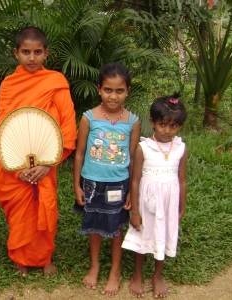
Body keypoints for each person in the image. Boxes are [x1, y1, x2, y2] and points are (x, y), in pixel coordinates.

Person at [0, 26, 77, 276]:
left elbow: (67, 123)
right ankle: (22, 257)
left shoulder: (55, 81)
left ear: (46, 54)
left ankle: (44, 258)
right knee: (21, 213)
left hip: (46, 160)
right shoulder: (9, 85)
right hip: (15, 165)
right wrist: (18, 166)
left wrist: (49, 163)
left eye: (37, 52)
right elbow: (5, 126)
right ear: (16, 53)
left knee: (45, 206)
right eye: (26, 52)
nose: (32, 58)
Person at [73, 63, 141, 296]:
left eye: (119, 90)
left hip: (118, 184)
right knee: (93, 226)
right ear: (99, 89)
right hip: (91, 183)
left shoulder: (132, 121)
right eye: (108, 90)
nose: (113, 96)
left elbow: (132, 157)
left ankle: (115, 270)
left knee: (115, 228)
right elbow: (80, 153)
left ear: (127, 91)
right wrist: (76, 185)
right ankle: (95, 266)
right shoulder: (88, 118)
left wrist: (132, 190)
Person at [122, 94, 188, 298]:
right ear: (152, 122)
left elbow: (182, 179)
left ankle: (158, 275)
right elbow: (135, 180)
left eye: (173, 126)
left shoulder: (180, 148)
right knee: (143, 235)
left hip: (169, 202)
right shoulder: (143, 148)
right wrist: (134, 210)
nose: (167, 131)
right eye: (162, 125)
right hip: (146, 202)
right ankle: (137, 274)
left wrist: (181, 205)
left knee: (164, 234)